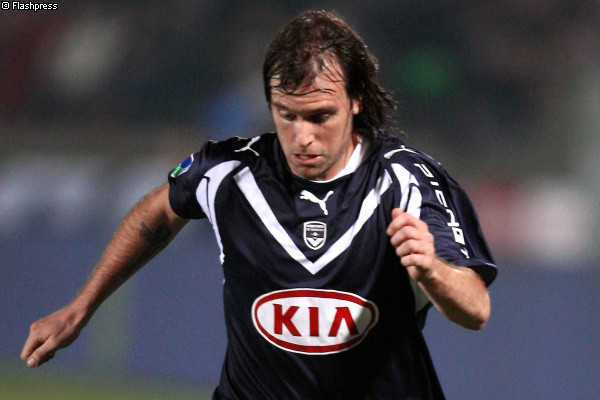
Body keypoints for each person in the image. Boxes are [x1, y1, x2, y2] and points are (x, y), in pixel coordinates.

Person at [21, 10, 497, 400]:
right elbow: (158, 211)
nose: (302, 136)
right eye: (286, 114)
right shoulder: (230, 171)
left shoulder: (407, 181)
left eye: (320, 116)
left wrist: (432, 270)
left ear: (356, 101)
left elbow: (475, 308)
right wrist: (80, 307)